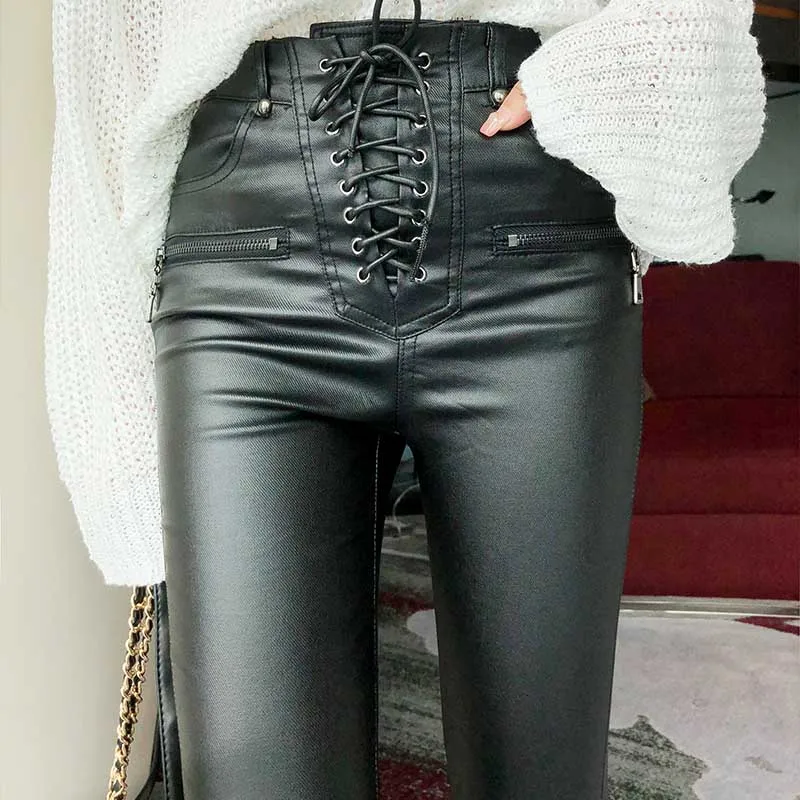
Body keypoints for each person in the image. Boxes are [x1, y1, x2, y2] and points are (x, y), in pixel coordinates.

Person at [44, 0, 766, 797]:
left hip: (530, 242)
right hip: (247, 259)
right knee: (257, 773)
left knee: (540, 766)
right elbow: (102, 75)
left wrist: (610, 72)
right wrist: (117, 444)